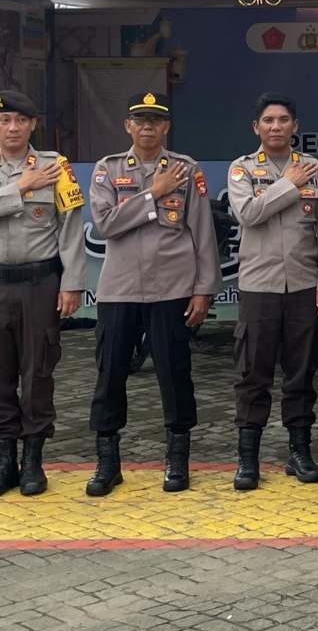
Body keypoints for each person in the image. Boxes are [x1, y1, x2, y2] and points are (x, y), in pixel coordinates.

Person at [83, 92, 219, 497]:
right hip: (119, 289)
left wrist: (204, 289)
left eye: (155, 120)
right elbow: (106, 224)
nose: (147, 126)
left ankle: (177, 460)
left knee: (174, 374)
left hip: (172, 288)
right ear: (127, 125)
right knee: (110, 374)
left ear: (166, 127)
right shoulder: (108, 170)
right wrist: (153, 193)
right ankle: (108, 463)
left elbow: (202, 232)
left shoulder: (186, 169)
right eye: (140, 120)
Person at [0, 90, 85, 499]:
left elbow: (71, 227)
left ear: (33, 125)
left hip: (38, 284)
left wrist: (72, 283)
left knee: (37, 373)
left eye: (21, 121)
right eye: (4, 120)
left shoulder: (55, 166)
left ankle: (32, 461)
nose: (13, 128)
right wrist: (21, 187)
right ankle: (2, 462)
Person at [226, 92, 318, 490]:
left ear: (295, 126)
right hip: (259, 286)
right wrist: (288, 184)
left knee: (301, 373)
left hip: (304, 284)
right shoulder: (242, 169)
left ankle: (299, 452)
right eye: (268, 120)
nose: (276, 126)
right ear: (256, 127)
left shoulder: (315, 169)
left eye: (283, 120)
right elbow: (249, 213)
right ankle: (248, 458)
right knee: (253, 373)